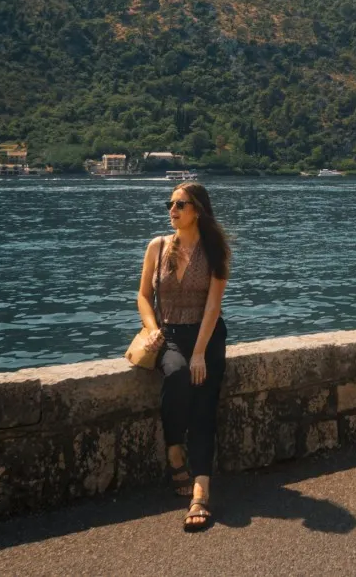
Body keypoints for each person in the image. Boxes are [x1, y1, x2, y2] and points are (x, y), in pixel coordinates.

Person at [136, 182, 230, 532]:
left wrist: (202, 352)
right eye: (170, 203)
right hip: (170, 335)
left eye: (180, 204)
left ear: (198, 211)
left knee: (204, 403)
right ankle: (175, 450)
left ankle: (200, 490)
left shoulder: (215, 250)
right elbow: (144, 296)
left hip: (206, 335)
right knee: (176, 376)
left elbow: (213, 305)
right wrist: (151, 328)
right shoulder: (157, 247)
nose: (172, 209)